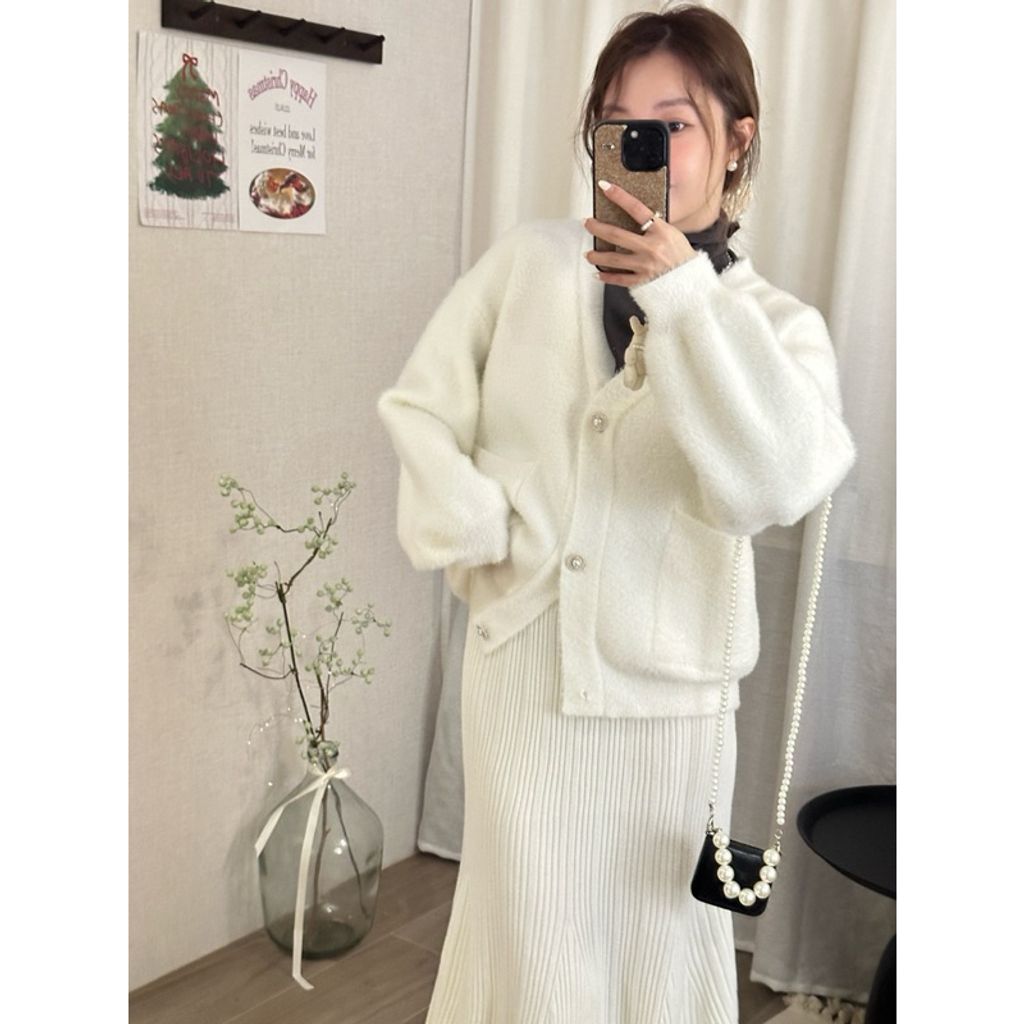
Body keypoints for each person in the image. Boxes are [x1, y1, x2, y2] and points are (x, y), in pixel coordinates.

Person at [377, 4, 856, 1021]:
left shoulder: (775, 326)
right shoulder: (527, 264)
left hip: (673, 704)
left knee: (655, 943)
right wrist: (480, 531)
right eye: (617, 125)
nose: (640, 148)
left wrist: (684, 298)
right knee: (526, 930)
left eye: (672, 123)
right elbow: (419, 407)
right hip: (521, 673)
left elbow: (775, 483)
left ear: (737, 140)